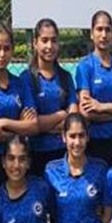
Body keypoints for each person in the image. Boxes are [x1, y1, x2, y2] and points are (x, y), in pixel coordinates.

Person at [0, 22, 38, 203]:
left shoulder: (20, 84)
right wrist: (20, 128)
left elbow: (33, 126)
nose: (2, 54)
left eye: (7, 48)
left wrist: (4, 123)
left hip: (18, 159)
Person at [20, 18, 77, 177]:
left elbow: (74, 120)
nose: (49, 46)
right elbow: (32, 124)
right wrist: (62, 115)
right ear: (35, 43)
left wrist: (45, 125)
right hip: (37, 153)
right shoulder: (27, 78)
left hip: (63, 153)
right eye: (44, 40)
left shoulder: (65, 77)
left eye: (53, 40)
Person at [75, 10, 112, 166]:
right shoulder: (85, 67)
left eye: (108, 30)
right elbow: (86, 112)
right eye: (99, 29)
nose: (103, 35)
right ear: (91, 33)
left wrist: (101, 107)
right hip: (94, 141)